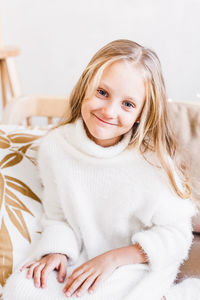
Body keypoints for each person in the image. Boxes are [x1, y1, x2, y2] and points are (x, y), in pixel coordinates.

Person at [3, 39, 200, 300]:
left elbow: (176, 234)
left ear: (142, 113)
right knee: (21, 288)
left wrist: (112, 260)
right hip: (80, 261)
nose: (108, 111)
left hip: (134, 266)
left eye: (128, 104)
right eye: (102, 93)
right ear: (86, 86)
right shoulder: (56, 147)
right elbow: (59, 217)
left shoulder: (152, 162)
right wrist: (57, 252)